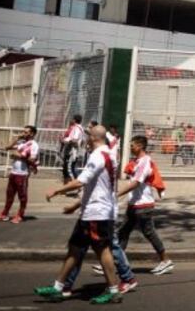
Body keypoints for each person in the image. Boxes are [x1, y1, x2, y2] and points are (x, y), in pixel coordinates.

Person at [34, 126, 123, 304]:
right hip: (92, 211)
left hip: (96, 213)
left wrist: (57, 190)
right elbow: (97, 186)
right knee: (75, 248)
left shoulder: (98, 156)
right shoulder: (109, 154)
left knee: (102, 250)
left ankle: (113, 290)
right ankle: (58, 287)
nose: (86, 140)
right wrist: (76, 205)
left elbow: (81, 181)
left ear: (93, 138)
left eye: (88, 136)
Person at [117, 135, 174, 276]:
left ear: (140, 146)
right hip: (134, 204)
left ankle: (165, 261)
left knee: (149, 233)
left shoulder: (145, 162)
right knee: (123, 233)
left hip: (143, 205)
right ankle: (115, 261)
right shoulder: (137, 161)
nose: (130, 147)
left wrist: (116, 195)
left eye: (133, 145)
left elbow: (136, 183)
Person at [0, 125, 38, 223]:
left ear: (32, 134)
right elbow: (7, 147)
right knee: (9, 195)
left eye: (26, 132)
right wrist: (16, 138)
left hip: (23, 174)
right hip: (13, 172)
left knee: (22, 196)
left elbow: (32, 160)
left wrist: (20, 156)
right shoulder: (22, 143)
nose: (23, 134)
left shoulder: (34, 145)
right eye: (23, 132)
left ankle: (20, 215)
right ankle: (4, 214)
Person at [60, 115, 85, 184]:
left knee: (69, 169)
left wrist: (64, 141)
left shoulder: (76, 128)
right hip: (74, 150)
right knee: (70, 168)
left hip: (72, 150)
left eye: (72, 119)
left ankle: (76, 185)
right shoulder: (81, 128)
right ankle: (71, 185)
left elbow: (74, 140)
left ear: (74, 120)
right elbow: (81, 141)